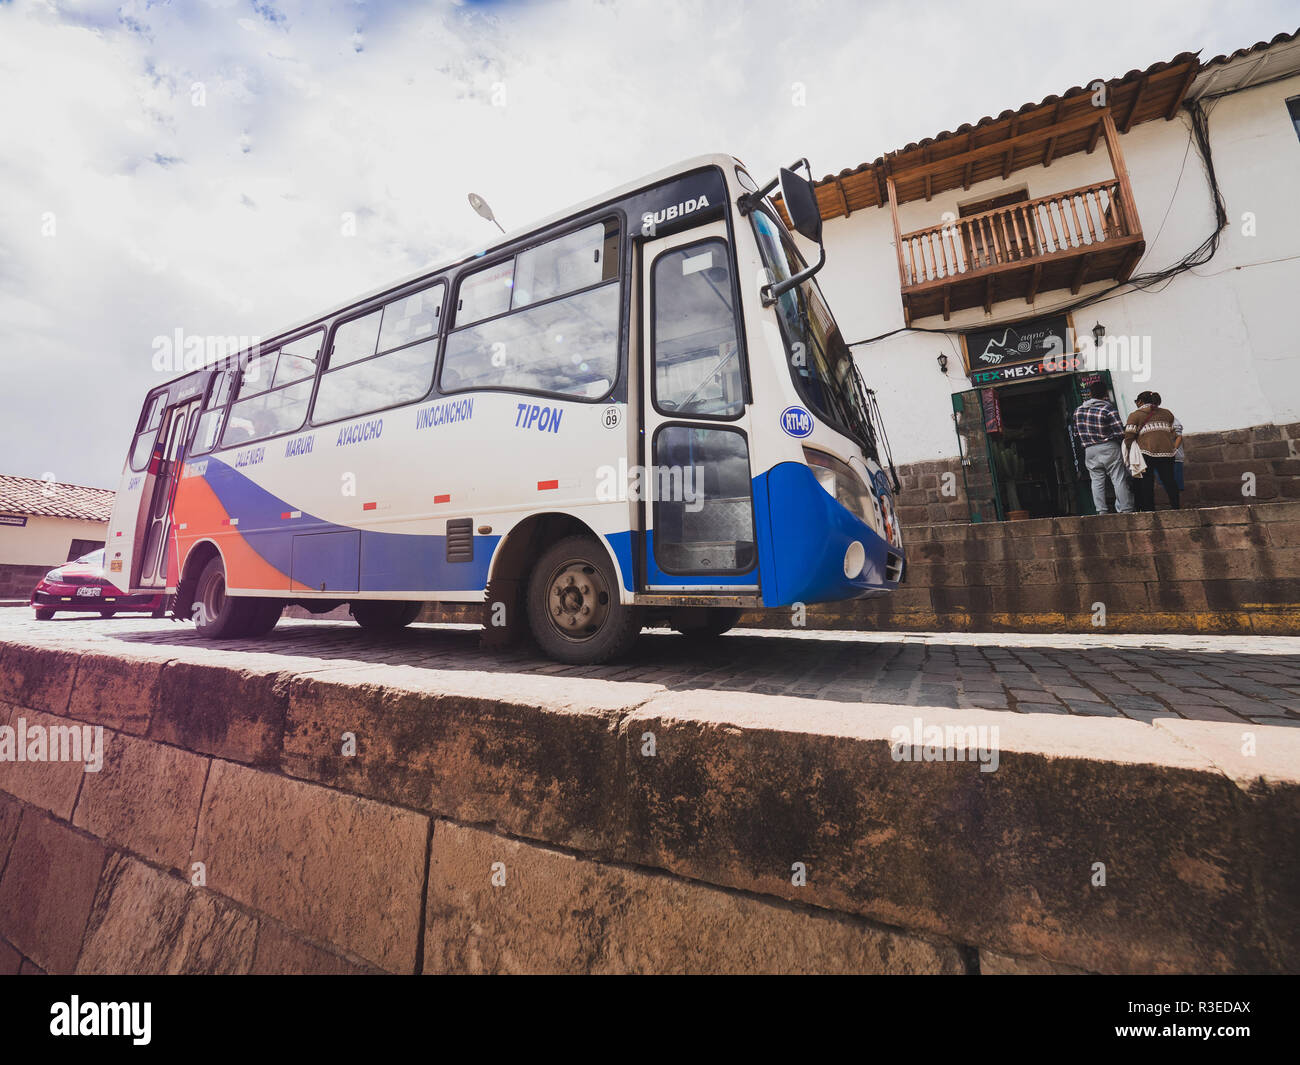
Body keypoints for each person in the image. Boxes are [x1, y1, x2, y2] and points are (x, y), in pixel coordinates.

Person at [1071, 381, 1133, 514]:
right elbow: (1119, 432)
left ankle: (1101, 511)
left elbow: (1076, 432)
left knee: (1096, 481)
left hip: (1089, 450)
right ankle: (1126, 509)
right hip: (1108, 447)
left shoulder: (1078, 411)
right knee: (1118, 478)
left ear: (1090, 394)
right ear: (1105, 394)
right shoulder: (1108, 409)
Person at [1124, 390, 1181, 511]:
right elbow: (1173, 432)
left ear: (1140, 401)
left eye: (1136, 402)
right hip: (1167, 452)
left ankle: (1149, 510)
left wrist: (1131, 449)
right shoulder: (1167, 413)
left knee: (1147, 483)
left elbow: (1129, 437)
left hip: (1147, 452)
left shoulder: (1135, 415)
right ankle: (1176, 507)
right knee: (1169, 480)